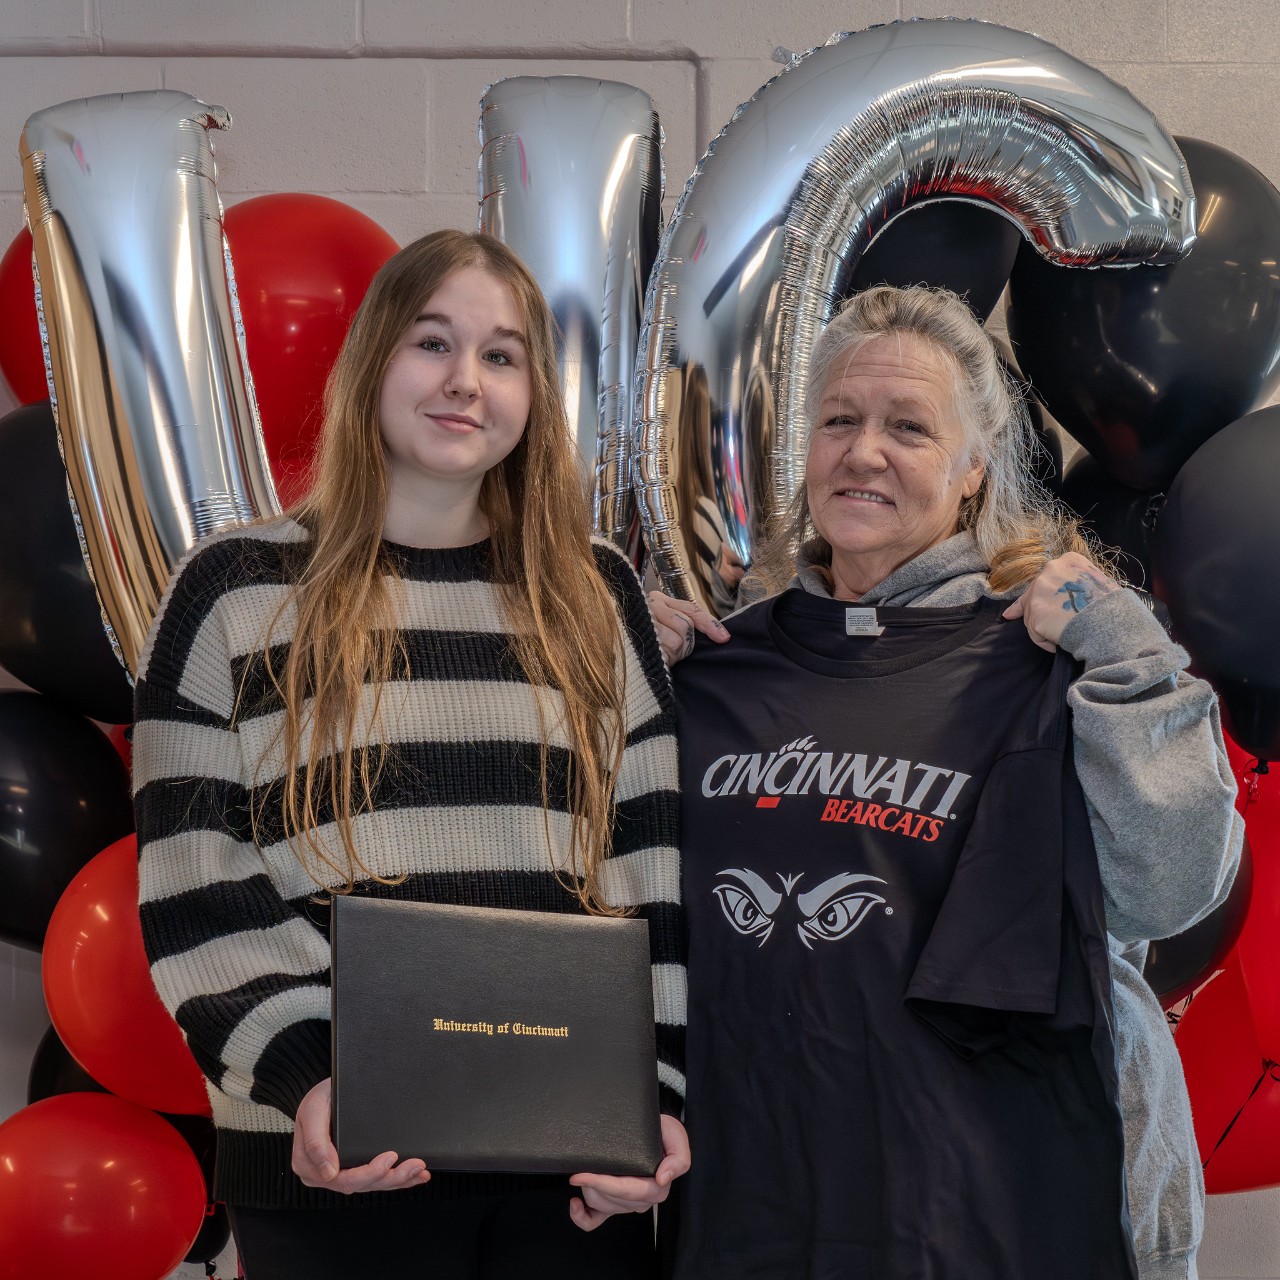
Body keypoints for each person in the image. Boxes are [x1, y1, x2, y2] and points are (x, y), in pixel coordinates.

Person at [650, 284, 1241, 1280]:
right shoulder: (717, 667)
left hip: (993, 1210)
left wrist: (1127, 659)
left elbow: (1171, 884)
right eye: (839, 418)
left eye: (907, 427)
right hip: (759, 1200)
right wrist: (620, 681)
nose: (864, 449)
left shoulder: (1044, 656)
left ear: (972, 469)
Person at [133, 229, 689, 1279]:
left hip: (568, 1175)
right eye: (432, 342)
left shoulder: (594, 590)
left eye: (501, 354)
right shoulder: (233, 589)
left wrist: (651, 1097)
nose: (463, 382)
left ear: (532, 393)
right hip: (330, 1156)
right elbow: (196, 880)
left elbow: (648, 868)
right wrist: (308, 1078)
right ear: (373, 359)